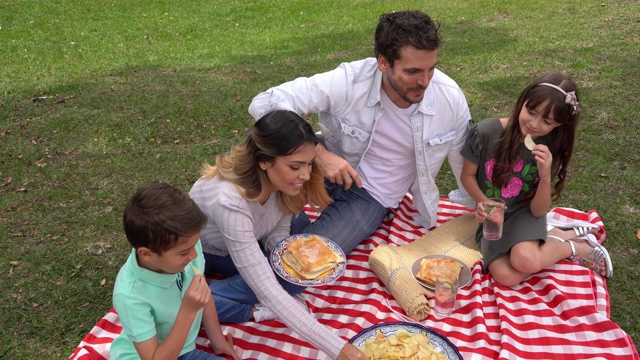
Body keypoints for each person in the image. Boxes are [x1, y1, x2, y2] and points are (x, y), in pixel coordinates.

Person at [248, 10, 475, 255]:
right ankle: (251, 231)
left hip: (371, 196)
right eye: (412, 72)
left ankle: (262, 244)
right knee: (263, 138)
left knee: (307, 259)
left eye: (431, 69)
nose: (425, 81)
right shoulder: (350, 80)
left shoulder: (449, 97)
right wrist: (319, 154)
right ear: (383, 63)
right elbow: (264, 103)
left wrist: (479, 206)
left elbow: (465, 162)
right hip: (320, 169)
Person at [189, 110, 367, 360]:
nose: (305, 175)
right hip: (211, 253)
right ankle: (219, 301)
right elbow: (267, 290)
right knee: (278, 285)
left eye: (309, 164)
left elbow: (277, 229)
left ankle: (222, 289)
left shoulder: (281, 181)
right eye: (295, 166)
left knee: (295, 273)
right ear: (264, 160)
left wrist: (290, 257)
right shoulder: (229, 201)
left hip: (247, 242)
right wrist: (341, 349)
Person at [460, 72, 613, 287]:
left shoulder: (548, 150)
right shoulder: (486, 132)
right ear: (522, 101)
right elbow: (467, 176)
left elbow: (539, 210)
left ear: (558, 124)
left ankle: (575, 247)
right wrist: (482, 202)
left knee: (525, 259)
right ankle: (558, 235)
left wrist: (544, 175)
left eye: (547, 121)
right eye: (530, 111)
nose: (534, 123)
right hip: (493, 218)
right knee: (506, 277)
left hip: (524, 213)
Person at [111, 182, 240, 360]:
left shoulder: (186, 245)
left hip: (184, 346)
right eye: (185, 252)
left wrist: (218, 341)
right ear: (147, 254)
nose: (194, 254)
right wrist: (188, 310)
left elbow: (204, 293)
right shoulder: (130, 295)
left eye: (195, 245)